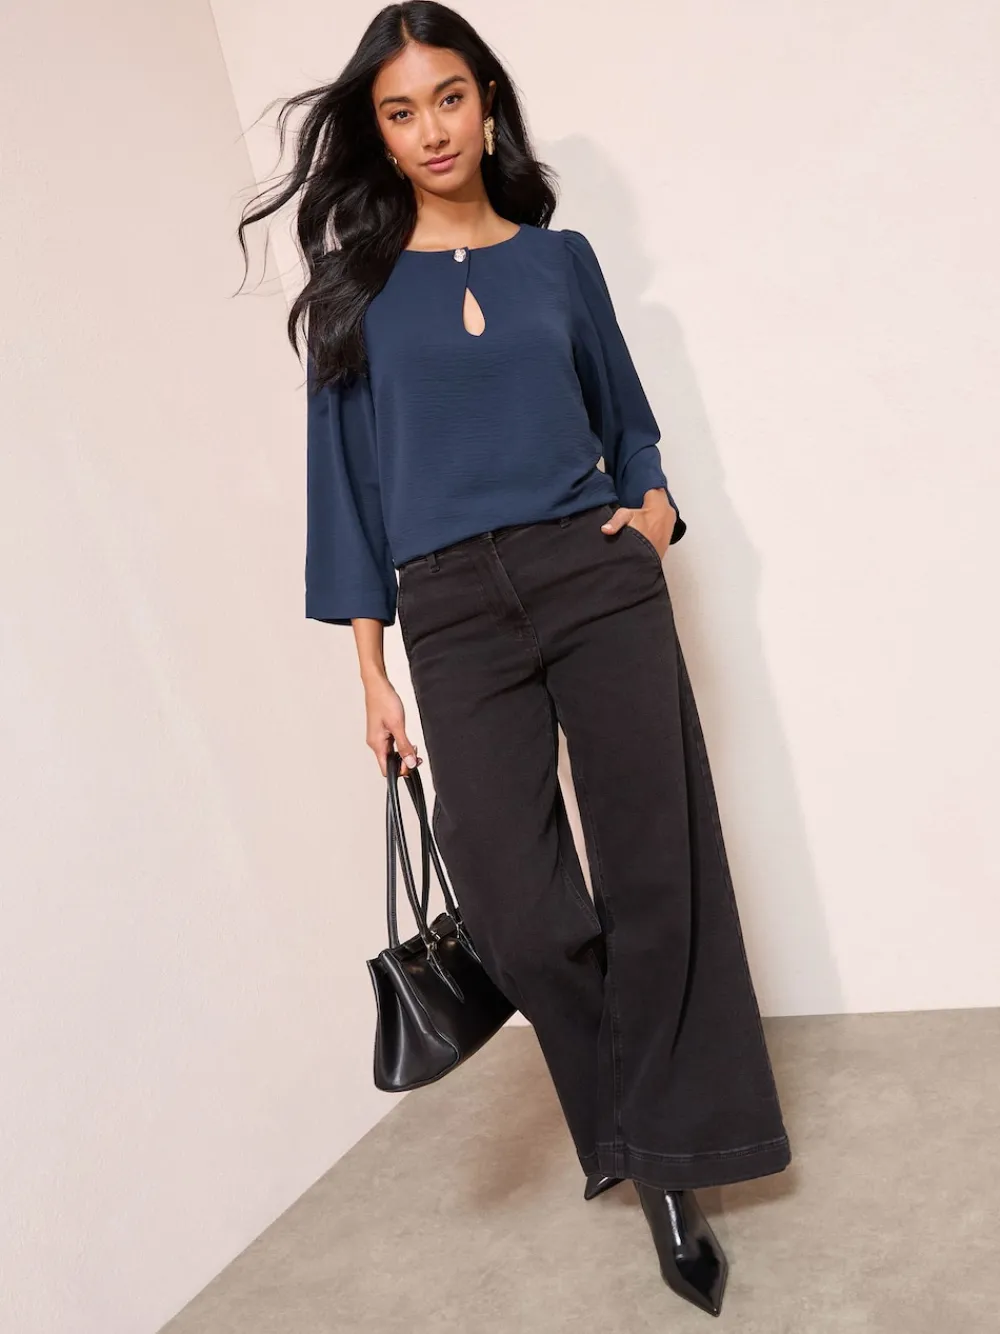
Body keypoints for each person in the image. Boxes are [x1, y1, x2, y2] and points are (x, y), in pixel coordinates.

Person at [238, 1, 791, 1318]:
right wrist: (369, 672)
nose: (430, 129)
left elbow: (630, 422)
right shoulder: (358, 296)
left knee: (658, 872)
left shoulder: (561, 262)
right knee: (520, 907)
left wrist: (651, 513)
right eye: (399, 111)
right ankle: (634, 1121)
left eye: (448, 98)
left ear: (486, 102)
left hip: (594, 578)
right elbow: (345, 495)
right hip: (450, 611)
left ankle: (667, 1169)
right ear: (377, 134)